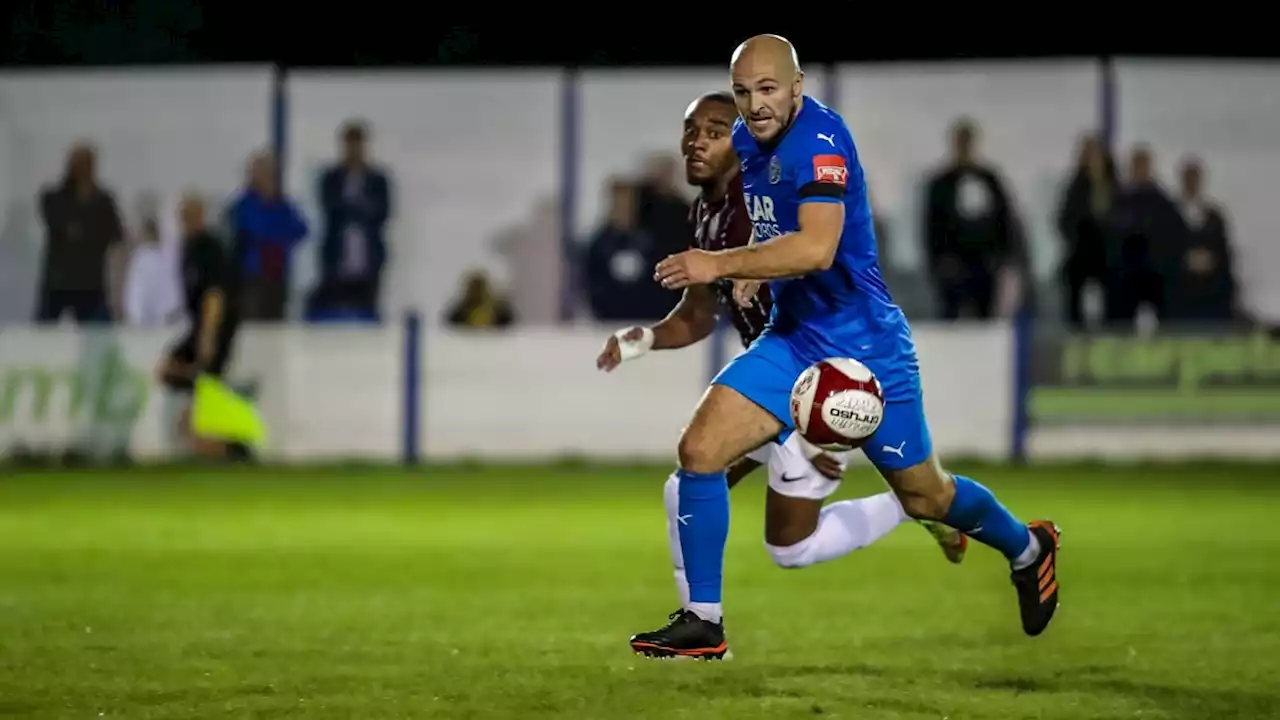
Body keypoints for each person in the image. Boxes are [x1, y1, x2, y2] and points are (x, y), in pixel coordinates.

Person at [638, 35, 1060, 658]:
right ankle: (704, 621)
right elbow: (773, 219)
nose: (755, 105)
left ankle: (1029, 548)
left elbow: (817, 247)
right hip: (794, 336)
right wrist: (759, 265)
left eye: (768, 89)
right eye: (744, 92)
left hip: (867, 349)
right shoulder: (751, 143)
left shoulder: (822, 141)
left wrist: (722, 262)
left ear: (797, 86)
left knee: (927, 496)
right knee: (699, 450)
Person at [598, 92, 967, 651]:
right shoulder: (707, 214)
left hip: (818, 386)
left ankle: (910, 503)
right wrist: (644, 339)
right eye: (690, 129)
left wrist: (763, 261)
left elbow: (819, 251)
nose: (698, 140)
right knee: (702, 488)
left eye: (715, 129)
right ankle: (699, 621)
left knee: (787, 544)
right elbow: (700, 314)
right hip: (773, 393)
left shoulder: (771, 190)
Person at [156, 193, 245, 459]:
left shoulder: (209, 248)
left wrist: (208, 337)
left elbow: (214, 296)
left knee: (203, 382)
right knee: (170, 370)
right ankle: (215, 430)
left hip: (215, 327)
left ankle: (228, 447)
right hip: (198, 326)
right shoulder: (187, 248)